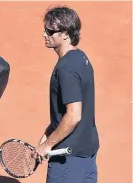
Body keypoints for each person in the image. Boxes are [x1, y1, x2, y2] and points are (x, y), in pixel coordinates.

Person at [33, 6, 100, 183]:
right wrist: (47, 135)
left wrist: (47, 145)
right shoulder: (80, 57)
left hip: (68, 158)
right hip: (87, 152)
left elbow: (73, 115)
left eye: (49, 31)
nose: (44, 34)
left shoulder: (65, 68)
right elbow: (67, 111)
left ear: (65, 33)